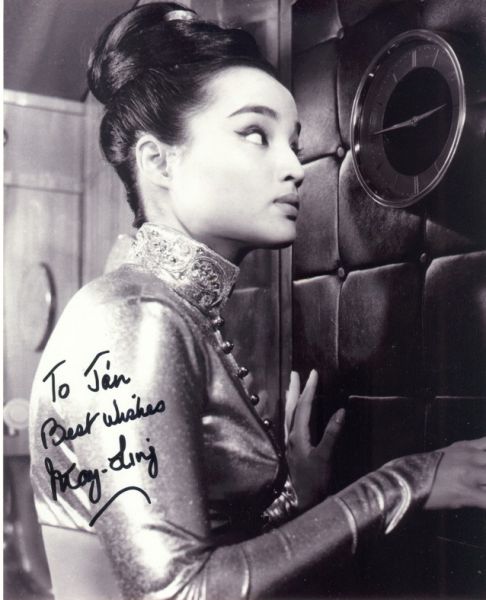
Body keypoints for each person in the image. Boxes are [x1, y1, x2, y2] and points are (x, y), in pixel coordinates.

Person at [29, 4, 486, 600]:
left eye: (292, 143)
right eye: (254, 134)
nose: (295, 168)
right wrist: (407, 480)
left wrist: (296, 492)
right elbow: (178, 591)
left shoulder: (172, 310)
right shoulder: (133, 315)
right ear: (158, 160)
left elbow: (205, 543)